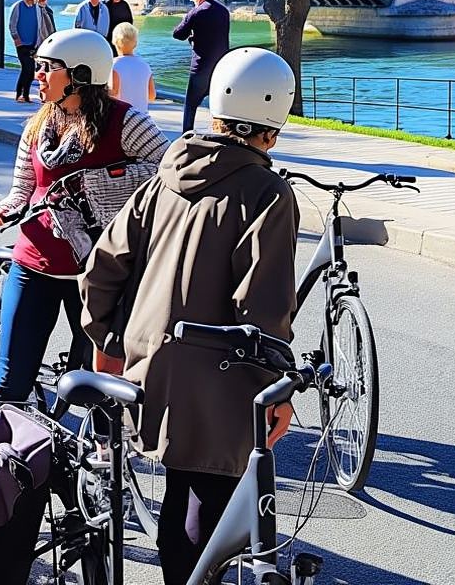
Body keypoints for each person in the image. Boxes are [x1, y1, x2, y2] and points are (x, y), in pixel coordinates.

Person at [81, 47, 299, 585]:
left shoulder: (164, 177)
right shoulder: (267, 193)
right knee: (208, 508)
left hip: (148, 365)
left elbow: (101, 268)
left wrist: (111, 341)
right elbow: (263, 306)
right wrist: (278, 387)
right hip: (219, 376)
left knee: (180, 495)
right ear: (271, 128)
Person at [0, 29, 169, 415]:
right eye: (38, 67)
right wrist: (5, 209)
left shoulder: (125, 121)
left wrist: (104, 182)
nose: (38, 75)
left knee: (99, 388)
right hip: (34, 264)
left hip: (99, 272)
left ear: (81, 75)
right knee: (9, 382)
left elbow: (167, 172)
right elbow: (23, 188)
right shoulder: (37, 126)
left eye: (48, 68)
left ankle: (98, 467)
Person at [172, 0, 231, 133]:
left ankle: (187, 134)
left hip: (200, 66)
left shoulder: (197, 12)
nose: (193, 0)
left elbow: (178, 33)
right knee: (219, 104)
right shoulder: (224, 11)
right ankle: (223, 132)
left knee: (191, 104)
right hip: (220, 66)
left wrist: (191, 32)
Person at [8, 0, 48, 103]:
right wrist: (16, 38)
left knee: (29, 71)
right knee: (27, 68)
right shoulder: (18, 6)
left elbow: (42, 22)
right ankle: (21, 94)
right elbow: (12, 24)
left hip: (33, 44)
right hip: (21, 44)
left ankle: (24, 94)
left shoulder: (37, 8)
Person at [109, 23, 156, 114]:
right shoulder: (145, 65)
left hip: (122, 117)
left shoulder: (114, 64)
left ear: (114, 42)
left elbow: (113, 93)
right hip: (142, 118)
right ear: (135, 44)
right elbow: (151, 96)